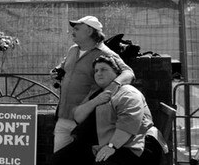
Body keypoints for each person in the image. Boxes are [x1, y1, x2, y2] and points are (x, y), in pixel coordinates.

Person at [53, 55, 166, 165]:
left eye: (104, 69)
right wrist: (96, 101)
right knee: (59, 160)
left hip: (132, 146)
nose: (99, 73)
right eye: (96, 71)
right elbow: (77, 116)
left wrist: (111, 146)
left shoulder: (127, 92)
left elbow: (129, 123)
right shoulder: (96, 92)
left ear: (116, 73)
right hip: (99, 144)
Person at [51, 15, 135, 152]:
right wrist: (56, 72)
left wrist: (113, 86)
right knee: (59, 159)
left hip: (88, 120)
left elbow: (128, 72)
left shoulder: (105, 53)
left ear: (90, 31)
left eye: (77, 29)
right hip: (64, 116)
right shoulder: (73, 49)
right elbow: (63, 67)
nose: (72, 32)